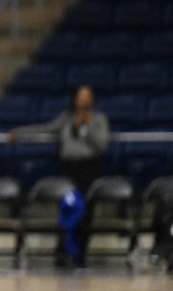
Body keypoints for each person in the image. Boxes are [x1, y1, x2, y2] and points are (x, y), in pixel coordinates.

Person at [10, 84, 110, 267]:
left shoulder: (99, 120)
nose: (84, 100)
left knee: (85, 212)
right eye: (81, 96)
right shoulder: (66, 118)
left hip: (88, 169)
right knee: (67, 210)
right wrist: (20, 133)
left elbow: (101, 145)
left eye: (87, 96)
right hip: (68, 170)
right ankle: (63, 253)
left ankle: (80, 254)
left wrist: (86, 128)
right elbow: (45, 129)